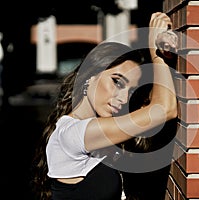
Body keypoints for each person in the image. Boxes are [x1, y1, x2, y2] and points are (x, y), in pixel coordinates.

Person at [31, 12, 178, 200]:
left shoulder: (103, 129)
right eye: (117, 82)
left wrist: (165, 52)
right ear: (90, 76)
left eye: (131, 91)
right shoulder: (73, 134)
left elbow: (160, 100)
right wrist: (155, 54)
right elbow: (164, 109)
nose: (124, 98)